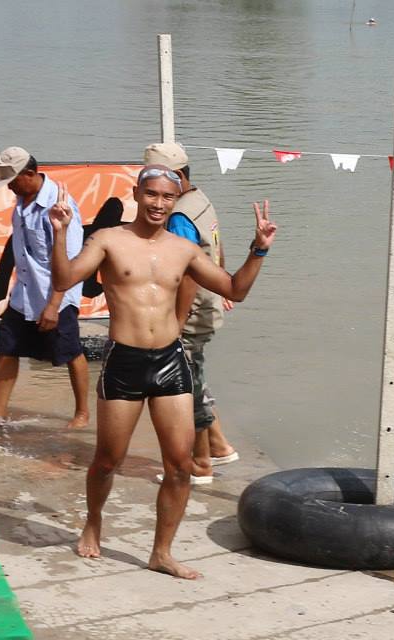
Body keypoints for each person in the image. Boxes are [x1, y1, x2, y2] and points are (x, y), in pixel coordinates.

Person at [49, 165, 276, 579]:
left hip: (171, 361)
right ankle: (93, 522)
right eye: (151, 194)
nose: (158, 203)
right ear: (137, 193)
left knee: (179, 465)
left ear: (176, 199)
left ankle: (162, 553)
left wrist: (258, 249)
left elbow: (235, 290)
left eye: (167, 197)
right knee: (107, 461)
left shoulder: (184, 249)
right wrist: (61, 233)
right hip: (124, 362)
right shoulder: (108, 240)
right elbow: (64, 279)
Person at [143, 142, 238, 484]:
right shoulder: (200, 199)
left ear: (178, 176)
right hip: (208, 303)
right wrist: (222, 282)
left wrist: (176, 324)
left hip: (191, 312)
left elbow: (184, 274)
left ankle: (200, 464)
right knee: (196, 375)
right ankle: (220, 446)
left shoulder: (179, 215)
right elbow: (218, 246)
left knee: (186, 388)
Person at [0, 146, 90, 428]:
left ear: (30, 174)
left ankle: (82, 413)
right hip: (24, 293)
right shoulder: (21, 201)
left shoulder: (60, 206)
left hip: (56, 295)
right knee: (7, 348)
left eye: (12, 180)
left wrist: (54, 305)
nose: (9, 187)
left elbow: (70, 262)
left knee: (70, 352)